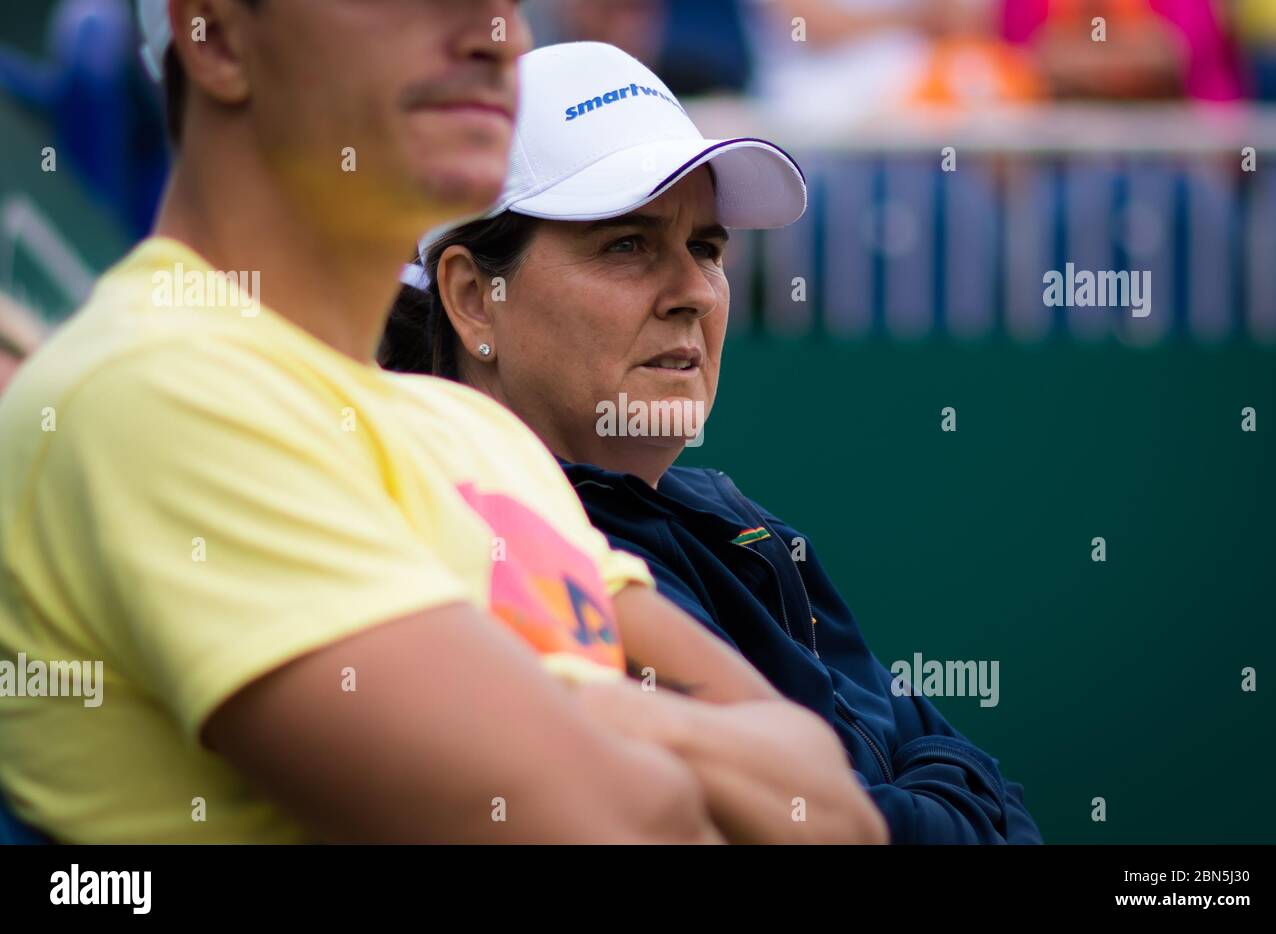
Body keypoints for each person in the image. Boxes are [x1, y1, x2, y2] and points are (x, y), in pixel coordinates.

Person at [0, 1, 886, 844]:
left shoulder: (480, 433)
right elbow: (616, 824)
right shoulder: (158, 391)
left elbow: (836, 810)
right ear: (220, 38)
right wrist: (615, 727)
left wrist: (566, 712)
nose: (496, 33)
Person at [384, 40, 1042, 843]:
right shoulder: (491, 556)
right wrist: (933, 789)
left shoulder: (737, 521)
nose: (695, 291)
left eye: (707, 247)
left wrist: (928, 789)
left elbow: (989, 803)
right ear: (472, 300)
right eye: (627, 244)